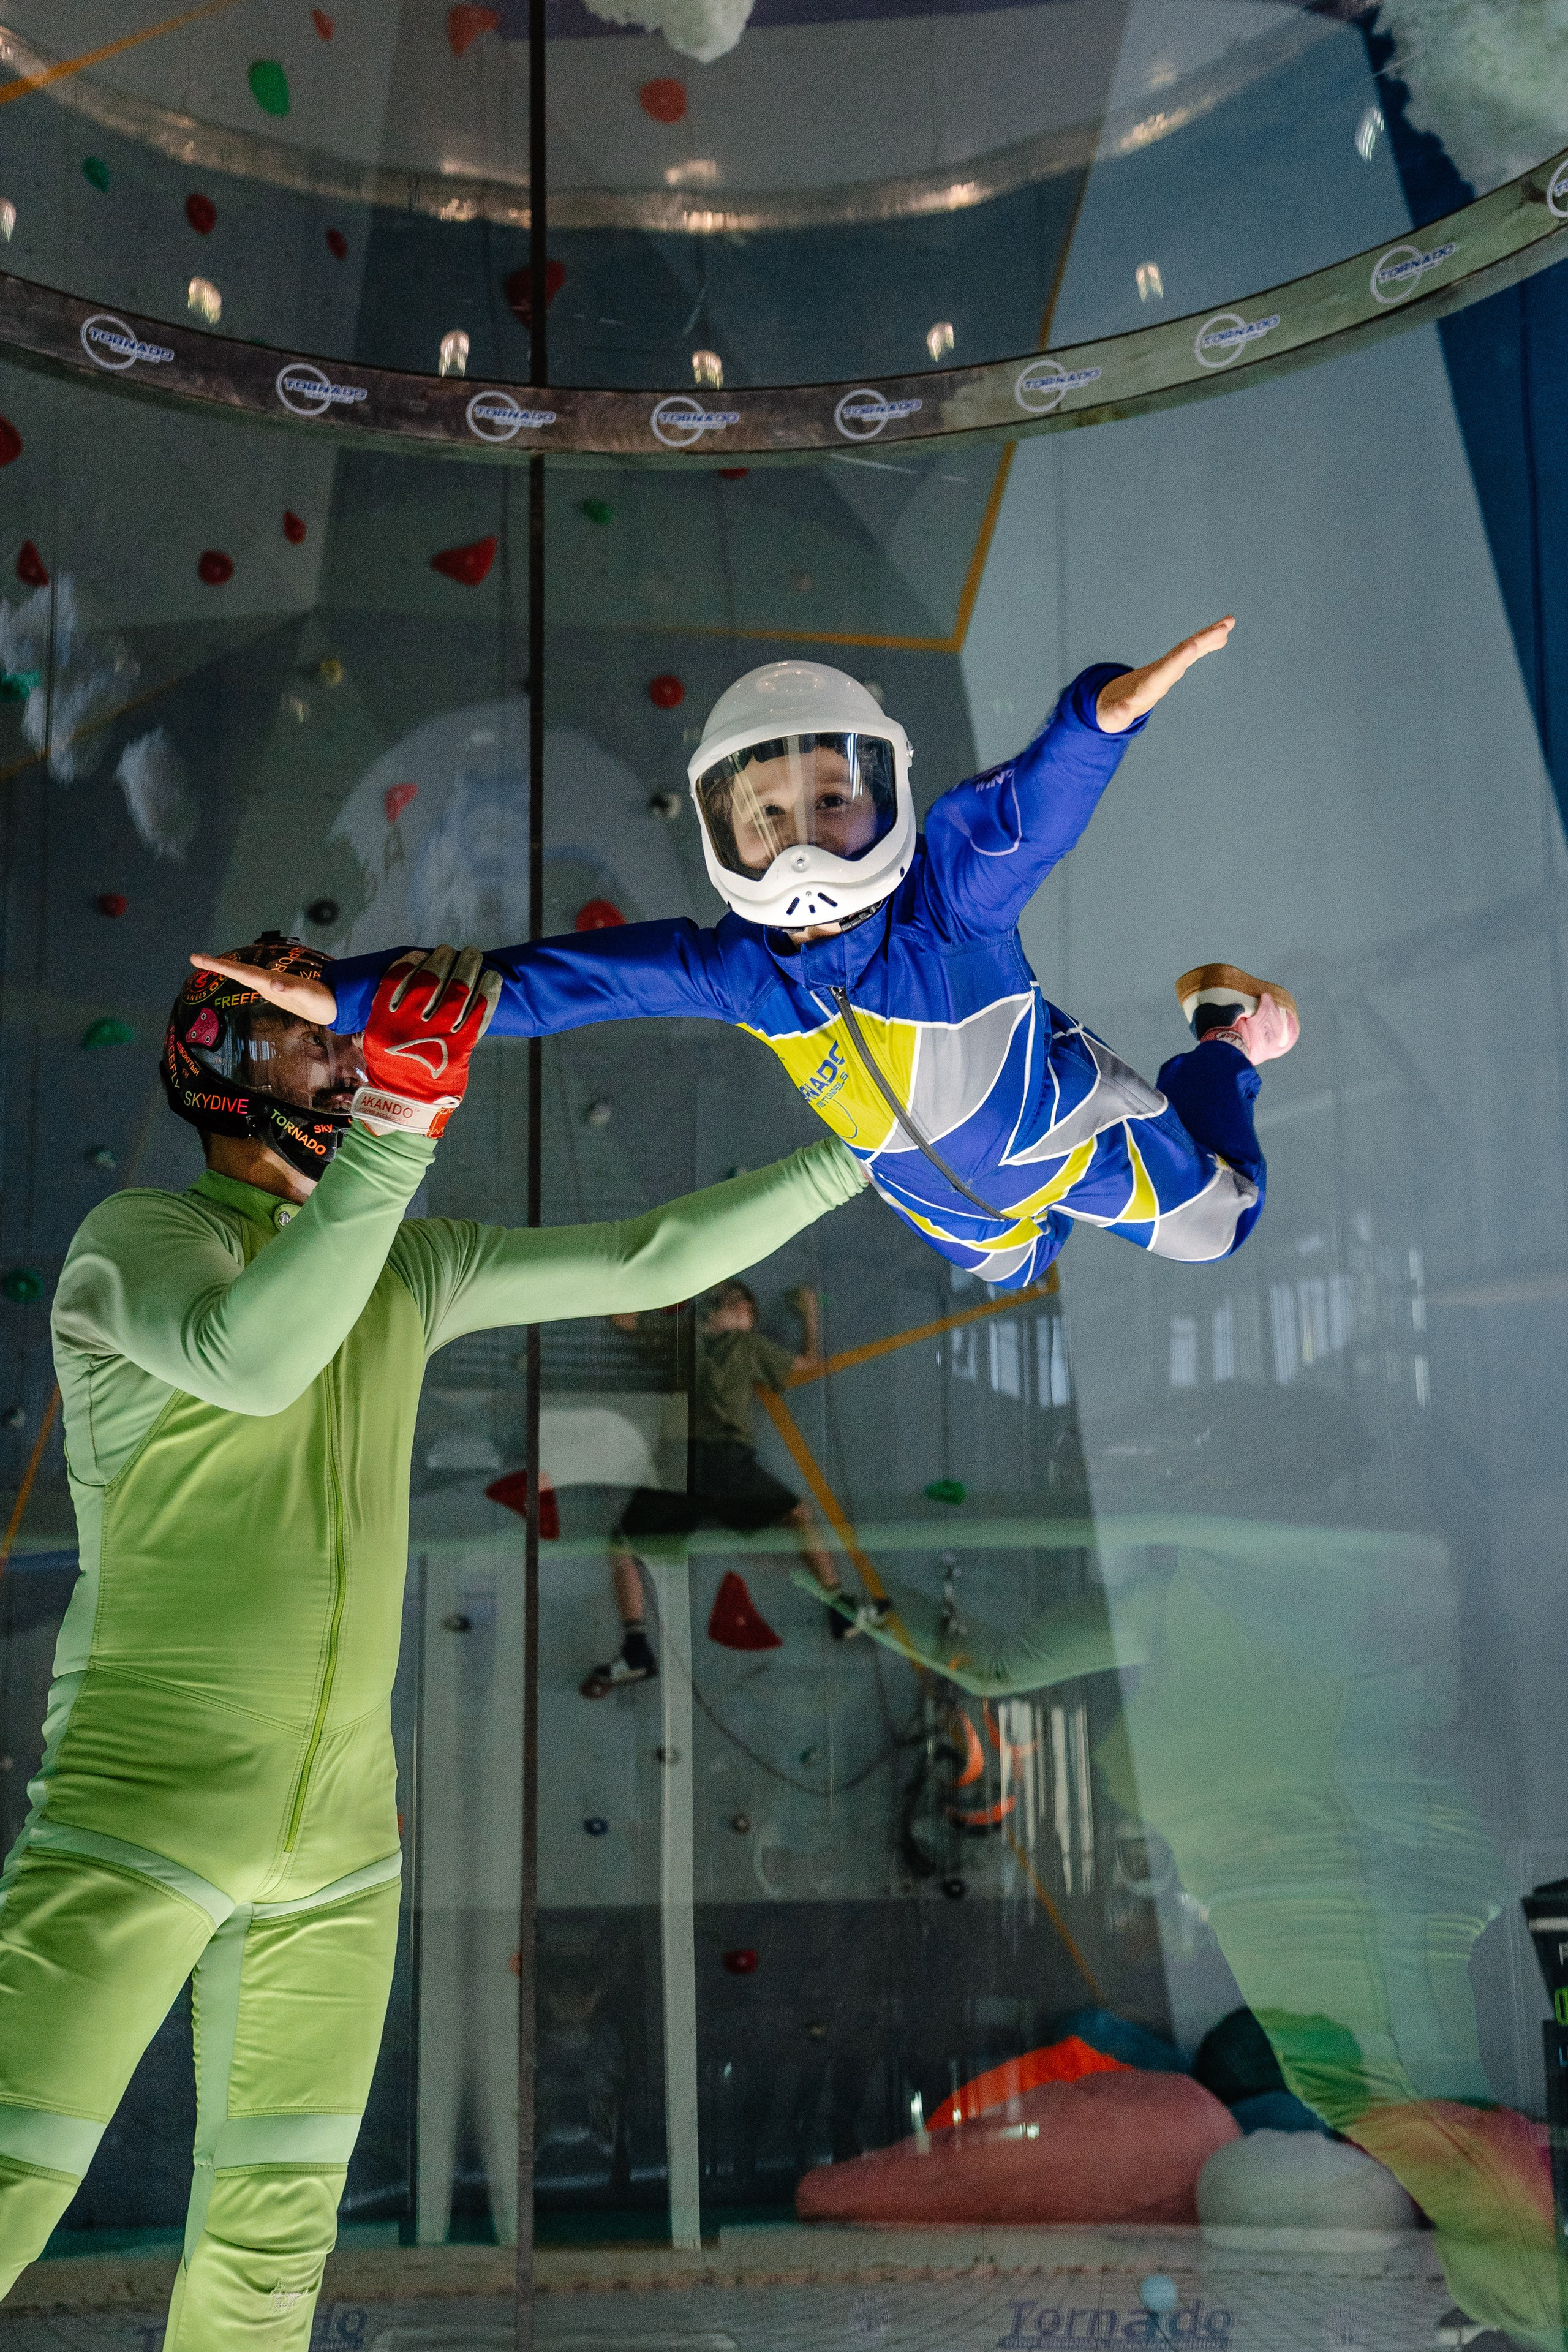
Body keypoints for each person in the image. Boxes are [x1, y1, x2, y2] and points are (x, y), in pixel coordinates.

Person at [0, 936, 864, 2340]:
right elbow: (253, 1353)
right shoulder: (139, 1245)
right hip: (135, 1810)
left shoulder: (412, 1261)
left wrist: (875, 1149)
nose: (345, 1059)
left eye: (348, 1039)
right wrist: (395, 1131)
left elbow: (657, 1253)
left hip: (339, 1853)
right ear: (219, 1070)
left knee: (272, 2259)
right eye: (309, 1040)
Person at [207, 619, 1295, 1294]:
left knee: (1223, 1228)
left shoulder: (949, 906)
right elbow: (544, 988)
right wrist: (340, 991)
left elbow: (1033, 814)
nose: (807, 832)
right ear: (721, 829)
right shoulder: (740, 973)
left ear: (886, 793)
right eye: (770, 811)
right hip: (950, 1211)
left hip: (1066, 1137)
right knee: (1014, 1266)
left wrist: (1099, 721)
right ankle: (1055, 1205)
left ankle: (1221, 1036)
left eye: (832, 798)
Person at [583, 1278, 851, 1698]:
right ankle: (838, 1607)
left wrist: (810, 1315)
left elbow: (806, 1364)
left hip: (686, 1464)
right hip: (709, 1460)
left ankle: (636, 1646)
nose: (743, 1308)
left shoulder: (733, 1345)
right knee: (795, 1515)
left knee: (623, 1543)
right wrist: (810, 1313)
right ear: (716, 1311)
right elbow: (809, 1363)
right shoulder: (697, 1338)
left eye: (746, 1304)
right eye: (735, 1302)